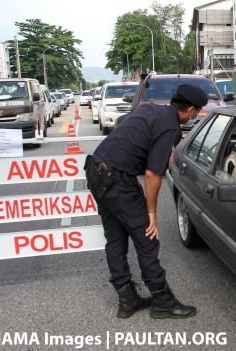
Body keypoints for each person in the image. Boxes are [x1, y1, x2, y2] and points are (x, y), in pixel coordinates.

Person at [84, 84, 207, 319]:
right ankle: (162, 300)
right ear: (190, 109)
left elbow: (123, 127)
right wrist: (152, 213)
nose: (197, 115)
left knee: (116, 237)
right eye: (197, 111)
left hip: (96, 171)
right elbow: (152, 175)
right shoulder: (170, 126)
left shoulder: (151, 109)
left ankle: (127, 300)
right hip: (117, 180)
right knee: (147, 238)